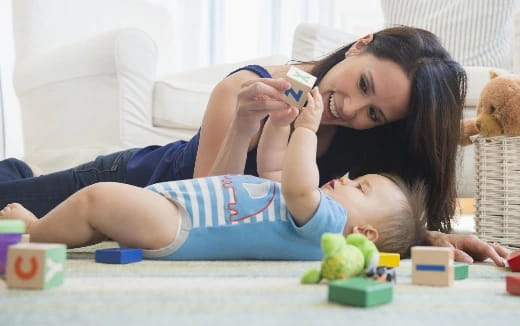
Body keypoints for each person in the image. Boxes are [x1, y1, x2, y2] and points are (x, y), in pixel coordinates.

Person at [0, 26, 509, 264]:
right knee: (9, 205)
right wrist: (245, 123)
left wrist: (429, 238)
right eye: (363, 85)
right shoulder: (249, 88)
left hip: (175, 211)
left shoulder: (363, 147)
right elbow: (198, 199)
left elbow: (373, 217)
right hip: (140, 180)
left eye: (374, 112)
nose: (351, 110)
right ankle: (18, 171)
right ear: (360, 44)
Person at [0, 88, 427, 259]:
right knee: (96, 219)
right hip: (175, 207)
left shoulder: (328, 228)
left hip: (181, 224)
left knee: (100, 198)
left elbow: (298, 182)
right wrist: (280, 124)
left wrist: (308, 128)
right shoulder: (300, 218)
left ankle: (33, 235)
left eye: (361, 187)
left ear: (364, 234)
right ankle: (32, 195)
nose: (347, 178)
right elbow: (275, 167)